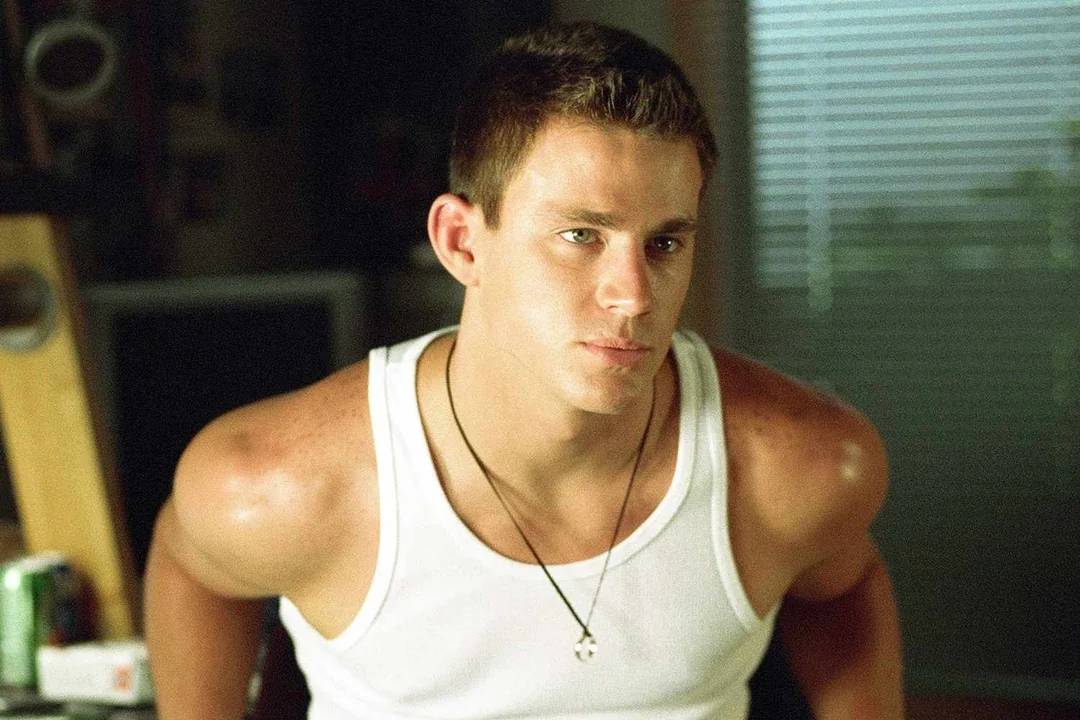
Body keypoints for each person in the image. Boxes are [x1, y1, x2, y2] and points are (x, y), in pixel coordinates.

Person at [144, 21, 904, 720]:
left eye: (665, 243)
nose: (634, 296)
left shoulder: (799, 468)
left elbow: (840, 587)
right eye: (581, 235)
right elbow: (194, 563)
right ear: (463, 243)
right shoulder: (281, 485)